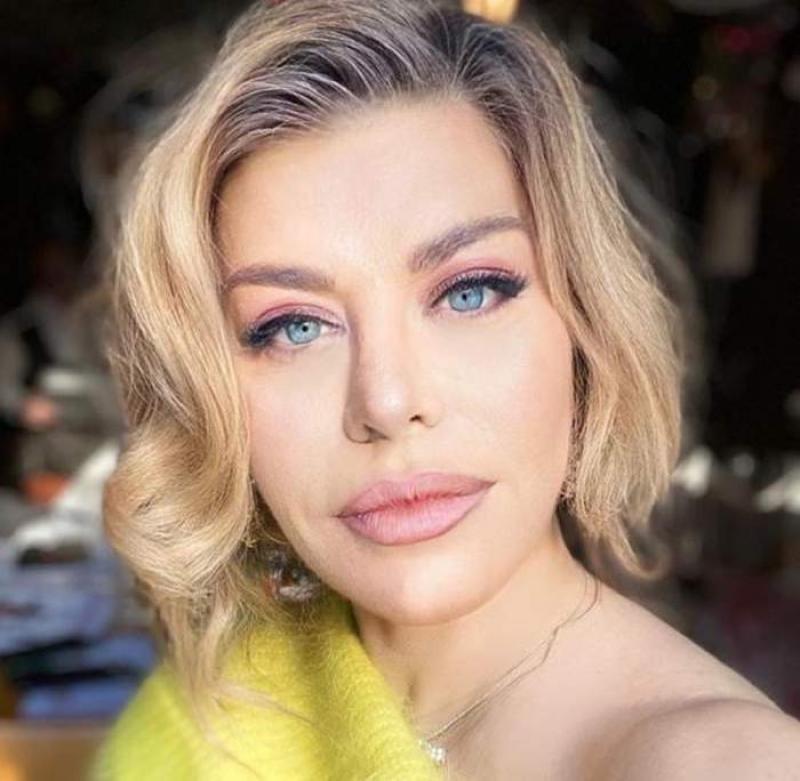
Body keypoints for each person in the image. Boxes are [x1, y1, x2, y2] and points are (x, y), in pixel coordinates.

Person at [90, 0, 800, 778]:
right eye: (292, 326)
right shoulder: (208, 715)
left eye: (470, 291)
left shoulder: (723, 762)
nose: (388, 403)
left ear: (585, 325)